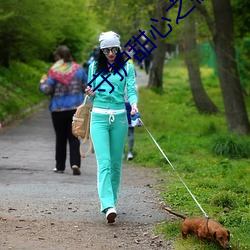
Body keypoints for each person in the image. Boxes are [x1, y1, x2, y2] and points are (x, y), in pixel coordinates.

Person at [85, 31, 138, 223]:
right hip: (98, 117)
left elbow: (131, 90)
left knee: (116, 164)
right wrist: (90, 92)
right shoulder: (94, 67)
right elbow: (91, 95)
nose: (110, 53)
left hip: (120, 118)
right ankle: (107, 205)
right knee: (104, 163)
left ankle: (112, 201)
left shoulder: (127, 67)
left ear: (119, 48)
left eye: (114, 49)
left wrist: (133, 104)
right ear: (101, 50)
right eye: (106, 50)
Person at [39, 45, 88, 175]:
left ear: (58, 57)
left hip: (58, 109)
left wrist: (42, 83)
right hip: (75, 109)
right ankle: (75, 163)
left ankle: (60, 166)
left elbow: (47, 90)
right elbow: (86, 86)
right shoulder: (79, 70)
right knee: (74, 137)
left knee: (60, 138)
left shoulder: (54, 71)